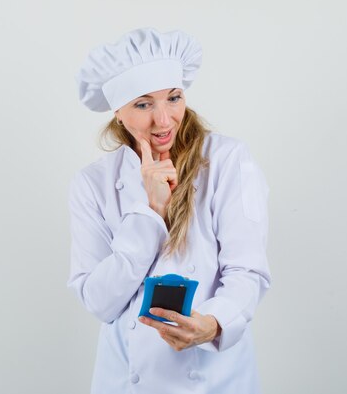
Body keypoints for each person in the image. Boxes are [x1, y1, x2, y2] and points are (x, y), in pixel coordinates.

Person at [67, 27, 272, 394]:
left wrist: (212, 323)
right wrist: (151, 211)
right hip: (125, 381)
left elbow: (248, 271)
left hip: (216, 378)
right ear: (118, 112)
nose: (164, 120)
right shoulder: (92, 184)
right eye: (143, 104)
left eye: (173, 98)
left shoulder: (228, 161)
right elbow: (99, 300)